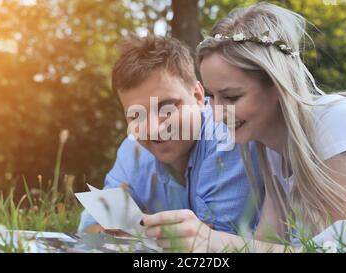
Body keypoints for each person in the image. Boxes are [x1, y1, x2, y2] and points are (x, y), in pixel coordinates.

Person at [141, 2, 346, 252]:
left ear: (277, 86)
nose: (217, 114)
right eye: (212, 96)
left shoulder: (337, 121)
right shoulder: (272, 150)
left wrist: (211, 239)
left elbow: (343, 248)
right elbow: (266, 243)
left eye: (231, 97)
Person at [78, 35, 263, 236]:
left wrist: (135, 234)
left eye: (167, 108)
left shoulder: (229, 135)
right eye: (136, 115)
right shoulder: (132, 150)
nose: (154, 129)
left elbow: (216, 245)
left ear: (198, 96)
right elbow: (95, 223)